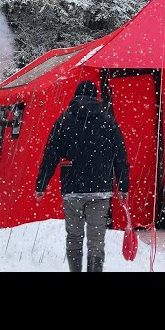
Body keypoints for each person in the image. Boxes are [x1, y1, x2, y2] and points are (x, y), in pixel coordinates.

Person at [35, 80, 130, 272]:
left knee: (74, 237)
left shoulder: (64, 120)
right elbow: (120, 154)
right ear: (95, 96)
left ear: (76, 96)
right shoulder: (107, 120)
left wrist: (41, 184)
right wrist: (123, 186)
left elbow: (50, 154)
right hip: (100, 188)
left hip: (73, 189)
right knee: (96, 240)